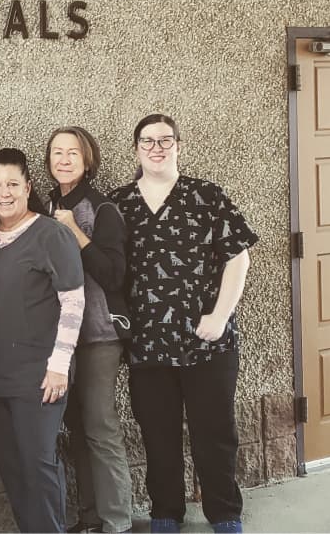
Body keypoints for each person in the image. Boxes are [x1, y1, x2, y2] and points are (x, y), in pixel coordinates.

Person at [109, 114, 257, 534]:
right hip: (147, 344)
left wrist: (220, 315)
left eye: (165, 139)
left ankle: (225, 512)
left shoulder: (206, 195)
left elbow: (238, 256)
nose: (157, 147)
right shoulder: (117, 204)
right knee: (158, 435)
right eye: (147, 141)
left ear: (178, 144)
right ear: (136, 149)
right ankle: (166, 512)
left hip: (208, 341)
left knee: (214, 433)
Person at [0, 147, 85, 533]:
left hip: (39, 377)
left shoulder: (50, 234)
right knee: (12, 468)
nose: (4, 193)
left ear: (28, 186)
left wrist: (59, 366)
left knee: (38, 464)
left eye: (12, 184)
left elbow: (73, 301)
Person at [44, 126, 133, 533]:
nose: (63, 159)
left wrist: (75, 232)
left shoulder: (103, 208)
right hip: (62, 339)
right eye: (57, 152)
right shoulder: (46, 205)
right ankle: (90, 519)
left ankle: (117, 523)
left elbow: (114, 275)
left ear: (87, 160)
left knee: (100, 426)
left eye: (72, 153)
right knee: (77, 429)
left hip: (97, 336)